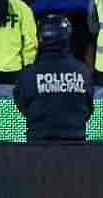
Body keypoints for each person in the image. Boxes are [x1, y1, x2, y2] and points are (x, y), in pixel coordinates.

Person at [14, 13, 97, 141]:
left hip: (36, 148)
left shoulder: (28, 74)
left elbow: (21, 105)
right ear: (68, 37)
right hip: (77, 147)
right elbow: (90, 106)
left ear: (40, 39)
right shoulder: (83, 72)